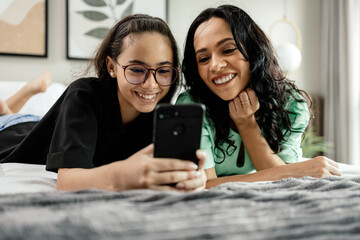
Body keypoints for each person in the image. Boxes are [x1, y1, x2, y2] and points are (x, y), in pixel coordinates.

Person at [0, 14, 207, 192]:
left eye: (163, 71)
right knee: (9, 118)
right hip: (12, 131)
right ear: (111, 66)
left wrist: (192, 178)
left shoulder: (159, 117)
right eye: (136, 69)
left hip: (45, 123)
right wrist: (123, 175)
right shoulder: (84, 94)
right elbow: (66, 182)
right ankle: (19, 100)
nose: (151, 85)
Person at [177, 5, 341, 188]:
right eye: (204, 59)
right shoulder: (192, 107)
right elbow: (204, 185)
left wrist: (247, 123)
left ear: (253, 51)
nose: (214, 66)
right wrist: (292, 171)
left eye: (228, 49)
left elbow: (288, 185)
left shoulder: (291, 105)